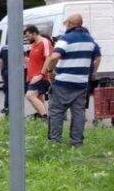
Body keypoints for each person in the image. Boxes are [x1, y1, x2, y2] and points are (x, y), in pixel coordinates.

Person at [42, 13, 101, 146]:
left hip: (63, 83)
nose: (65, 26)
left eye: (66, 23)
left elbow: (54, 57)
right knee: (79, 112)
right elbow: (97, 58)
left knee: (56, 111)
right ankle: (76, 142)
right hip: (81, 83)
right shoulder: (90, 40)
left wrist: (50, 71)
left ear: (71, 23)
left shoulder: (66, 38)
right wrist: (93, 73)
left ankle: (55, 141)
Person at [24, 25, 53, 118]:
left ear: (34, 33)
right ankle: (42, 119)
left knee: (30, 96)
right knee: (39, 100)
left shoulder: (45, 42)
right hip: (32, 77)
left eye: (28, 36)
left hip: (40, 77)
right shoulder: (33, 45)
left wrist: (41, 74)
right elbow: (33, 61)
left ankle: (44, 118)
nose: (27, 38)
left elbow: (48, 58)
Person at [0, 43, 9, 114]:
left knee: (7, 90)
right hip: (16, 73)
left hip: (6, 71)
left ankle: (6, 107)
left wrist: (1, 72)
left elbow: (1, 62)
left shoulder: (4, 48)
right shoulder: (19, 47)